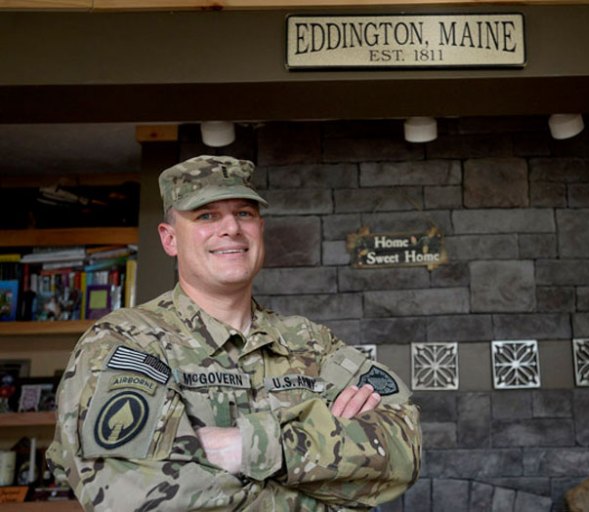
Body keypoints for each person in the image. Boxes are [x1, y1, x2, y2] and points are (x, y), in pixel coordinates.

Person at [46, 155, 422, 511]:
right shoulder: (126, 342)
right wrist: (326, 485)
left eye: (244, 213)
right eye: (206, 215)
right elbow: (135, 495)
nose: (231, 228)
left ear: (260, 229)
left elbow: (402, 450)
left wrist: (247, 446)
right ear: (169, 239)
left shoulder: (311, 342)